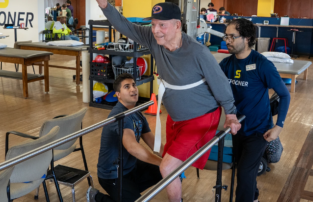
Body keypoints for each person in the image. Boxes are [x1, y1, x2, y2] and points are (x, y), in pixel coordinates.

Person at [94, 1, 241, 201]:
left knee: (168, 166)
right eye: (153, 24)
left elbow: (220, 84)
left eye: (162, 25)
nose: (156, 30)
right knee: (167, 162)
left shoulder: (198, 53)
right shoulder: (154, 39)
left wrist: (231, 114)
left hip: (201, 119)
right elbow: (124, 25)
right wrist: (105, 6)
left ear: (178, 26)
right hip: (175, 118)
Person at [219, 19, 291, 202]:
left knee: (244, 172)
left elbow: (285, 95)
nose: (227, 40)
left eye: (232, 36)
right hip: (236, 128)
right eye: (226, 36)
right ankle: (254, 197)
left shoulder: (262, 65)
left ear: (247, 38)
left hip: (259, 130)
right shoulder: (227, 64)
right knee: (243, 169)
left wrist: (279, 126)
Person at [86, 73, 164, 202]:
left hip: (131, 168)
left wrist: (170, 160)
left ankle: (127, 194)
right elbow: (132, 147)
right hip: (113, 175)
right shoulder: (120, 116)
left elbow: (154, 143)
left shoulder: (137, 113)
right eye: (127, 87)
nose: (133, 89)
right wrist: (162, 163)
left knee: (167, 172)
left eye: (134, 85)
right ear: (118, 94)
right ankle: (97, 198)